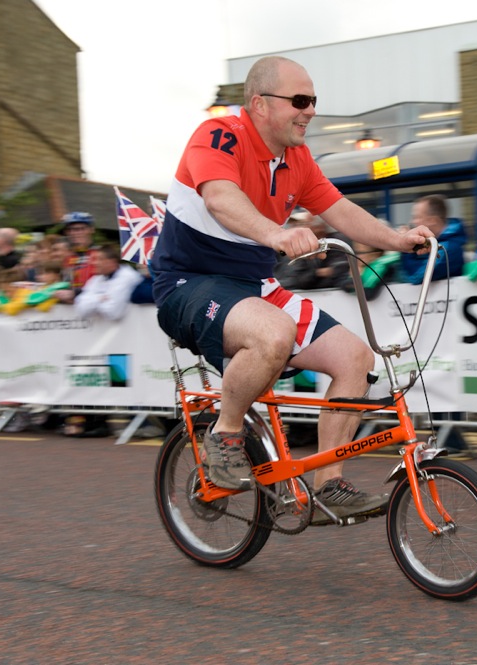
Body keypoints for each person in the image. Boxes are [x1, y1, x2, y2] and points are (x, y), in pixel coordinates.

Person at [151, 55, 433, 521]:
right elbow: (221, 196)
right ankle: (224, 434)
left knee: (356, 359)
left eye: (314, 101)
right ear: (260, 104)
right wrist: (277, 234)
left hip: (252, 286)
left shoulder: (296, 159)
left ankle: (328, 485)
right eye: (300, 100)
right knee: (273, 334)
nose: (311, 111)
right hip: (189, 282)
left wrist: (399, 240)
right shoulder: (219, 135)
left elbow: (342, 212)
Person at [272, 210, 350, 290]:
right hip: (283, 289)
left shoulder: (335, 242)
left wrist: (315, 274)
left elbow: (338, 270)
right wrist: (317, 273)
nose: (302, 228)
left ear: (319, 227)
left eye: (305, 224)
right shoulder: (285, 247)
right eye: (292, 224)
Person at [399, 194, 464, 284]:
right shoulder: (432, 242)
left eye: (417, 217)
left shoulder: (448, 249)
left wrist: (404, 248)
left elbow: (415, 277)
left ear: (432, 220)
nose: (412, 222)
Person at [74, 244, 144, 320]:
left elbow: (112, 312)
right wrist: (99, 298)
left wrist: (91, 301)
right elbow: (80, 308)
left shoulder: (127, 277)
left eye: (100, 259)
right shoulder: (96, 279)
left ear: (112, 262)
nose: (94, 263)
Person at [60, 211, 97, 291]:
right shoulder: (68, 257)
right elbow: (66, 283)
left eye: (80, 229)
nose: (73, 233)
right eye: (70, 230)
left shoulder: (100, 254)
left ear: (91, 230)